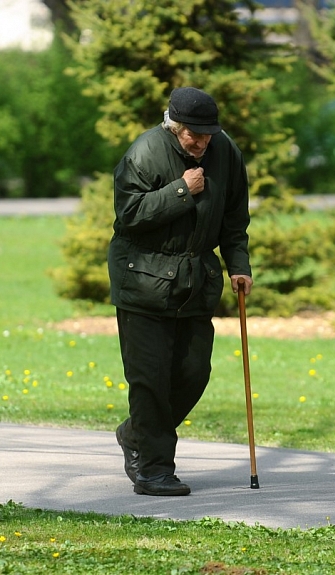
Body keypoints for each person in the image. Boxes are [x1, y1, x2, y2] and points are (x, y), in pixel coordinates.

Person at [109, 87, 253, 496]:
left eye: (210, 133)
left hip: (194, 284)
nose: (204, 142)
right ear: (175, 127)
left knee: (193, 373)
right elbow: (129, 216)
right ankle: (154, 471)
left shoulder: (225, 152)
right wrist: (179, 191)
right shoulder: (144, 153)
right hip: (142, 281)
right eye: (196, 135)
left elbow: (234, 216)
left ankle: (136, 432)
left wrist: (238, 266)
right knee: (150, 380)